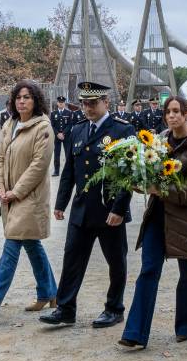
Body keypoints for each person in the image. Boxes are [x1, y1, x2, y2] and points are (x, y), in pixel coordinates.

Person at [118, 96, 187, 349]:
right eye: (168, 112)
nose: (171, 116)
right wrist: (139, 182)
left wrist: (162, 190)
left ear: (186, 115)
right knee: (149, 269)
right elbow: (148, 172)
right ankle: (135, 332)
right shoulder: (158, 141)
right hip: (158, 215)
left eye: (176, 112)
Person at [39, 81, 135, 329]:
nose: (88, 108)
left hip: (108, 210)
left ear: (106, 103)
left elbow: (129, 175)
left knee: (116, 261)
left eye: (93, 104)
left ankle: (114, 308)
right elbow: (69, 169)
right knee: (72, 258)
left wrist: (119, 209)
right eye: (84, 104)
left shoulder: (123, 131)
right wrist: (61, 203)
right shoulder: (78, 130)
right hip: (81, 209)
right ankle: (65, 308)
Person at [0, 81, 58, 323]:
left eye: (27, 97)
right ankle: (49, 293)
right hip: (8, 196)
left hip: (28, 198)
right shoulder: (9, 124)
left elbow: (39, 166)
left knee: (11, 248)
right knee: (32, 245)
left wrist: (16, 192)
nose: (22, 101)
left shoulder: (43, 127)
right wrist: (0, 187)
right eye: (18, 97)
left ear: (36, 101)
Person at [50, 96, 71, 177]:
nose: (61, 104)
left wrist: (63, 133)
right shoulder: (53, 113)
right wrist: (58, 134)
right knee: (56, 154)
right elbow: (52, 125)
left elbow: (70, 124)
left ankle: (68, 171)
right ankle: (56, 170)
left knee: (67, 154)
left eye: (62, 103)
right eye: (59, 102)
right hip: (57, 136)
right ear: (57, 103)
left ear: (64, 103)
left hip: (66, 136)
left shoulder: (68, 113)